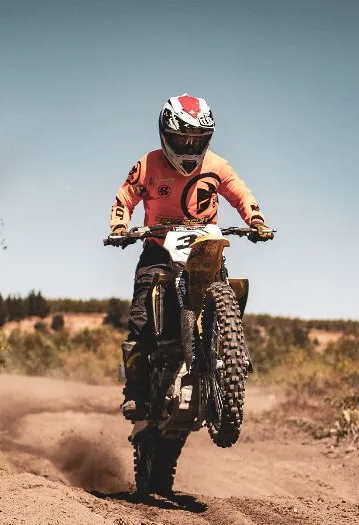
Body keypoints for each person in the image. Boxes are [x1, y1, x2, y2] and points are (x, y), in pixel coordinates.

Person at [109, 93, 273, 420]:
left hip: (203, 244)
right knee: (141, 318)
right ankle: (135, 392)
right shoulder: (148, 165)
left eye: (196, 140)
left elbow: (240, 192)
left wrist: (255, 219)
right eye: (181, 139)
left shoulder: (217, 166)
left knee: (225, 289)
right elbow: (124, 198)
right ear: (165, 134)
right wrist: (119, 227)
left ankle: (229, 352)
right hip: (158, 248)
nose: (188, 147)